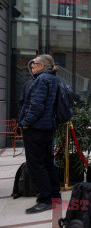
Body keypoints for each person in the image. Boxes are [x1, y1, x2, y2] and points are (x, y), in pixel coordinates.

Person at [19, 54, 61, 214]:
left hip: (36, 128)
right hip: (47, 127)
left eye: (34, 64)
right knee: (48, 162)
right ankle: (54, 196)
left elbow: (36, 106)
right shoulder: (54, 79)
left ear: (42, 66)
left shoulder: (42, 80)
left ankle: (45, 199)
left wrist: (25, 123)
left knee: (35, 164)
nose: (32, 66)